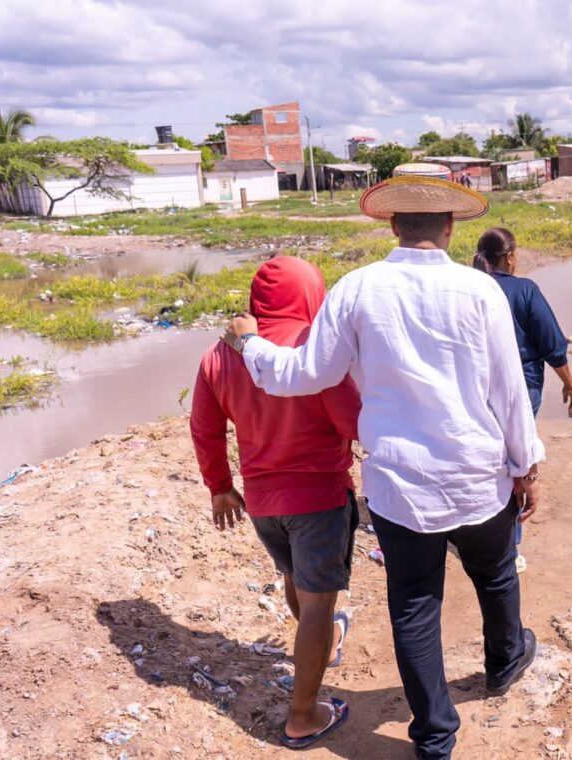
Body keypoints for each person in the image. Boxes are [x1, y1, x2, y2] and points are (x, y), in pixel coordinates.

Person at [222, 167, 543, 760]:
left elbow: (305, 375)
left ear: (393, 223)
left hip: (400, 486)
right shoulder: (483, 292)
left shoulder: (357, 288)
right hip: (478, 476)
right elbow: (510, 394)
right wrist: (526, 466)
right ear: (449, 226)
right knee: (495, 574)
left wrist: (251, 344)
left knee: (416, 604)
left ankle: (434, 735)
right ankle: (504, 661)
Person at [190, 256, 363, 750]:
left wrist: (219, 485)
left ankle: (320, 654)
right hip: (317, 497)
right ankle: (303, 717)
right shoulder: (314, 346)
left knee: (295, 580)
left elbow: (204, 426)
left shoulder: (219, 355)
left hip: (264, 504)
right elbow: (352, 421)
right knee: (317, 605)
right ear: (311, 293)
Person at [474, 226, 572, 574]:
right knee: (517, 460)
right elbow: (552, 343)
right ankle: (510, 546)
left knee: (487, 457)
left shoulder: (471, 288)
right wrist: (570, 385)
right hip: (523, 386)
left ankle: (477, 533)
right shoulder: (525, 290)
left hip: (477, 387)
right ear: (511, 257)